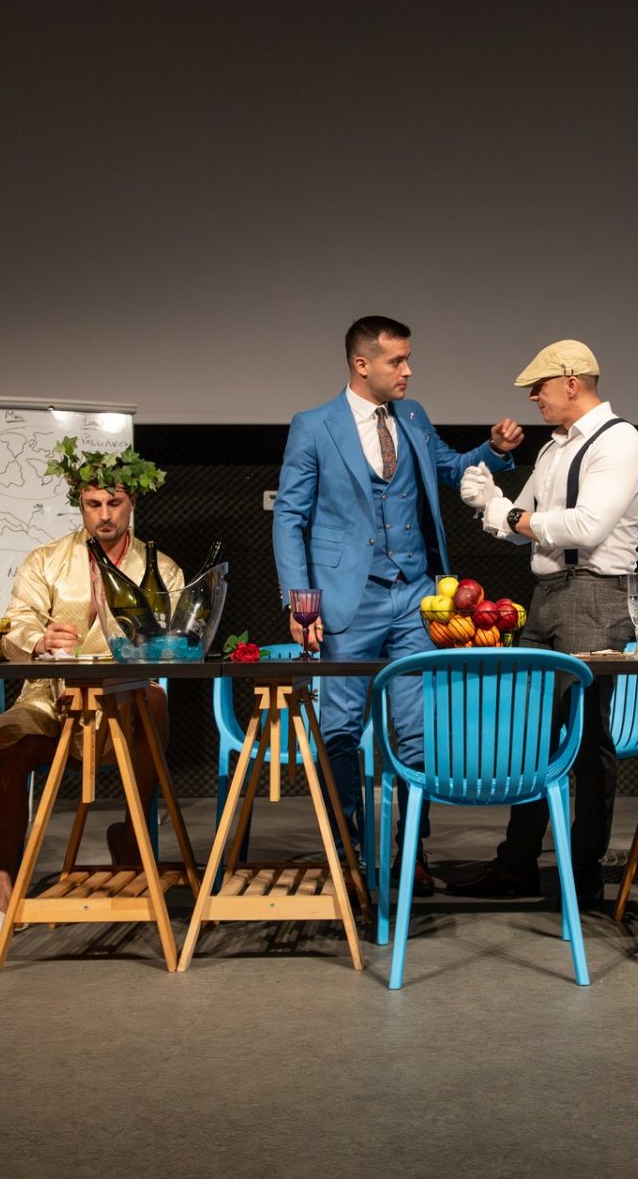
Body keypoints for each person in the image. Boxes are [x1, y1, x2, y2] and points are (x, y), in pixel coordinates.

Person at [271, 315, 522, 896]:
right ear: (362, 365)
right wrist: (301, 603)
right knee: (340, 729)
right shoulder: (313, 425)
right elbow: (290, 517)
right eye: (397, 361)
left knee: (417, 734)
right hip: (346, 599)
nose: (408, 370)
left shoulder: (412, 417)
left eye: (408, 359)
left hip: (414, 595)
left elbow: (451, 469)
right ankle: (348, 848)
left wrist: (494, 450)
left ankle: (412, 851)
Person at [447, 340, 638, 910]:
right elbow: (521, 526)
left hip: (594, 597)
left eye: (539, 387)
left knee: (586, 741)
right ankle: (516, 863)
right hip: (547, 595)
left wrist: (507, 511)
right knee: (532, 736)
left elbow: (585, 528)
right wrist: (487, 500)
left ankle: (583, 875)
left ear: (571, 381)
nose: (533, 398)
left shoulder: (619, 442)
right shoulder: (553, 449)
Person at [0, 443, 184, 945]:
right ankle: (0, 898)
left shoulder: (160, 568)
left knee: (155, 699)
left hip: (123, 702)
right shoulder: (46, 560)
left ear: (132, 503)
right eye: (92, 504)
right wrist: (40, 640)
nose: (103, 515)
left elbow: (172, 639)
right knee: (8, 744)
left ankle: (132, 839)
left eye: (114, 503)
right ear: (79, 504)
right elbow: (17, 622)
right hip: (49, 699)